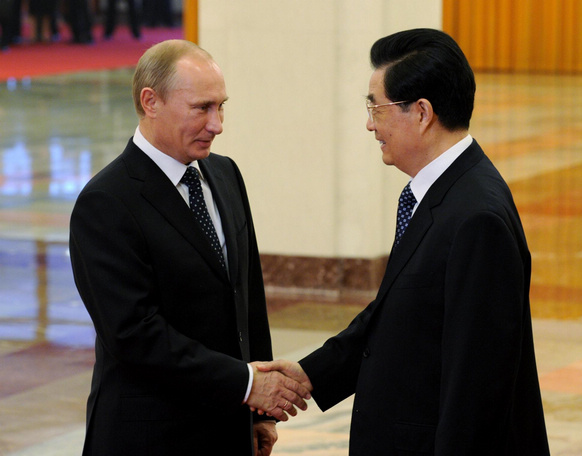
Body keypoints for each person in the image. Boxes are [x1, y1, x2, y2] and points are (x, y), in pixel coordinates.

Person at [258, 28, 551, 455]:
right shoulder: (438, 192)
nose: (369, 123)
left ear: (422, 112)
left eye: (376, 108)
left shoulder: (477, 218)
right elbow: (398, 313)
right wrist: (311, 374)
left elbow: (477, 390)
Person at [69, 39, 310, 456]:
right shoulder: (106, 202)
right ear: (151, 102)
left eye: (221, 107)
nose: (217, 124)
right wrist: (248, 385)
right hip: (151, 436)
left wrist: (259, 414)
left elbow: (247, 297)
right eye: (202, 108)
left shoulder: (225, 174)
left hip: (227, 427)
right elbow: (134, 335)